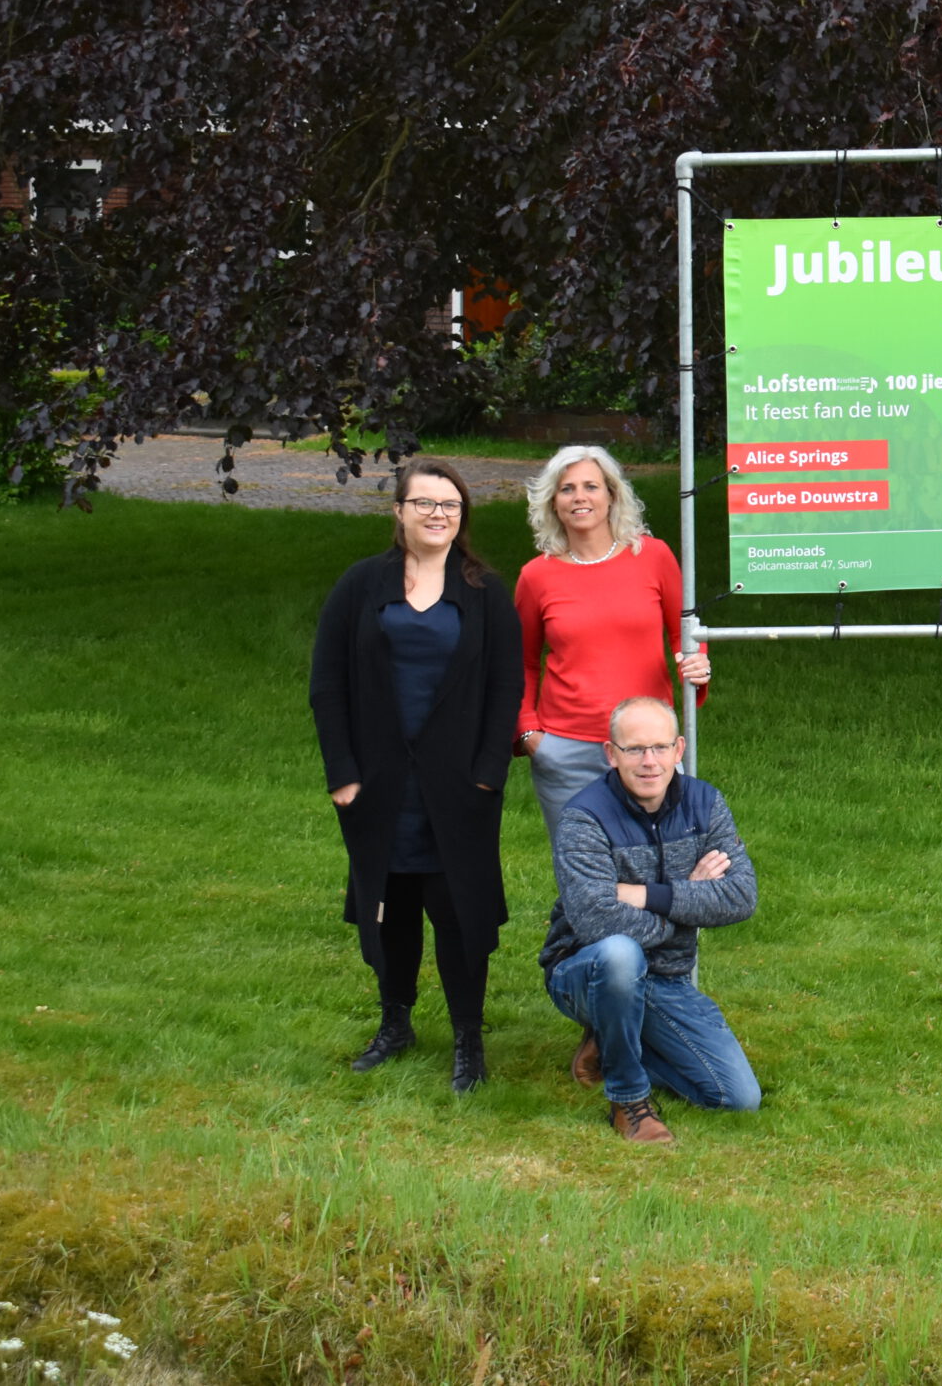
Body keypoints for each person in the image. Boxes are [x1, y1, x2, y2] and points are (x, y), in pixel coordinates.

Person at [308, 457, 524, 1092]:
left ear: (462, 516)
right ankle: (395, 1022)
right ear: (399, 511)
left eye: (450, 505)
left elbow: (505, 688)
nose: (438, 514)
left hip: (459, 789)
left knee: (461, 914)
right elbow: (327, 684)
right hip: (378, 787)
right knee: (389, 908)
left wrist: (488, 774)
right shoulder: (360, 585)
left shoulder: (486, 593)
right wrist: (343, 774)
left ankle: (468, 1039)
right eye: (425, 503)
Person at [537, 695, 762, 1143]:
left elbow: (740, 897)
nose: (649, 762)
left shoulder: (705, 803)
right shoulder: (584, 818)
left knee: (737, 1097)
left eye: (660, 747)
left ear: (679, 749)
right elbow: (597, 923)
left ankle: (613, 1039)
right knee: (620, 954)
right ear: (611, 754)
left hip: (666, 977)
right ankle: (629, 1101)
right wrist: (689, 904)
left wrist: (645, 895)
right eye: (634, 749)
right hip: (584, 972)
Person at [514, 446, 711, 837]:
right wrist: (528, 733)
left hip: (648, 744)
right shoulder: (536, 576)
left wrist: (696, 664)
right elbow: (522, 662)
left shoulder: (653, 556)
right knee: (583, 864)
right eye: (567, 489)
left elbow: (684, 633)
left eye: (591, 486)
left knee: (664, 855)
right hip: (566, 749)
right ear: (553, 502)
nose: (580, 497)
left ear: (612, 495)